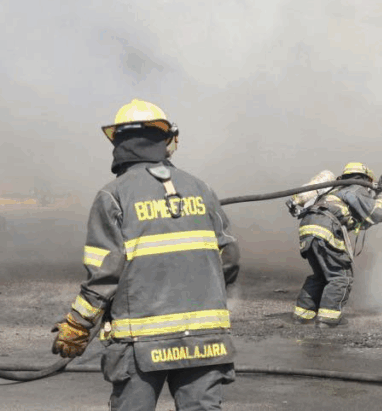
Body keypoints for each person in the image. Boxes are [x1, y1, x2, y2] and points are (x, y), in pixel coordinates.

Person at [51, 99, 240, 411]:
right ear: (166, 140)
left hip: (139, 343)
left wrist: (78, 324)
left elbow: (104, 274)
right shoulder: (201, 189)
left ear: (118, 143)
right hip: (205, 340)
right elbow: (229, 258)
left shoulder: (113, 195)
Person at [290, 162, 382, 327]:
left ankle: (302, 315)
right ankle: (328, 319)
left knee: (321, 275)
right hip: (326, 229)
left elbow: (360, 219)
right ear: (366, 179)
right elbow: (377, 213)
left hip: (308, 228)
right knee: (340, 277)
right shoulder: (356, 189)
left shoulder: (334, 189)